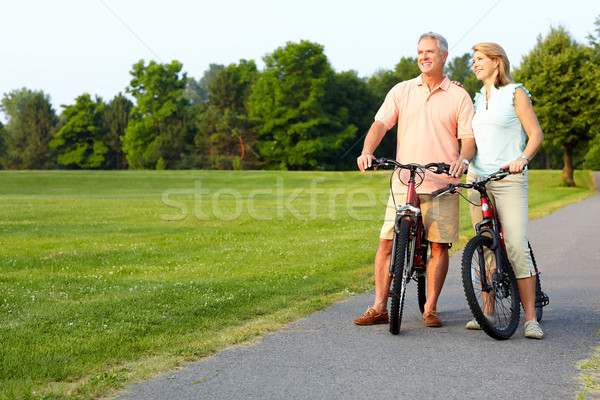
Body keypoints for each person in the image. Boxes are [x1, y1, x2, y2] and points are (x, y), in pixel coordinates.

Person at [354, 32, 476, 328]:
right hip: (403, 180)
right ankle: (380, 307)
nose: (424, 56)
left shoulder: (459, 95)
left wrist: (463, 159)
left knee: (438, 246)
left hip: (442, 183)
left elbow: (469, 139)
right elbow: (381, 123)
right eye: (420, 51)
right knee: (385, 243)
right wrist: (367, 151)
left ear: (443, 56)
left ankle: (430, 309)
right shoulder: (402, 90)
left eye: (430, 52)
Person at [466, 42, 544, 339]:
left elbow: (535, 134)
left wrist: (522, 159)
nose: (475, 63)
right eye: (474, 59)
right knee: (485, 243)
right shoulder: (475, 97)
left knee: (514, 244)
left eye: (481, 59)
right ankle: (487, 312)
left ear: (497, 62)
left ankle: (530, 319)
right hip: (478, 178)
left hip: (509, 178)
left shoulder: (515, 92)